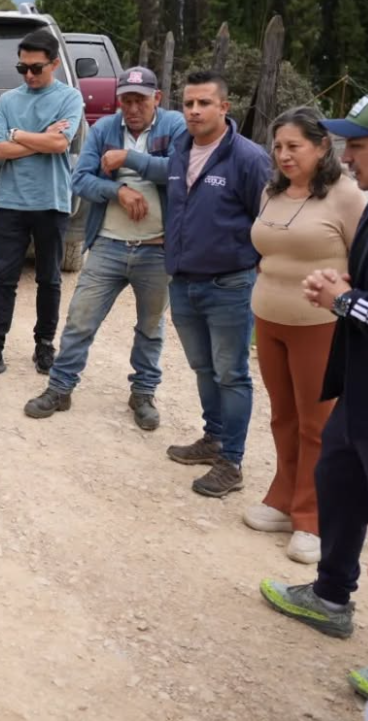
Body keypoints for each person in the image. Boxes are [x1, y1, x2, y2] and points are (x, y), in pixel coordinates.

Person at [259, 97, 368, 703]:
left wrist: (342, 301)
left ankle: (312, 530)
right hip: (340, 362)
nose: (351, 156)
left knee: (322, 436)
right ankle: (329, 593)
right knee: (330, 461)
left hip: (329, 332)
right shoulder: (279, 190)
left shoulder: (349, 198)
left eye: (360, 146)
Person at [22, 67, 186, 429]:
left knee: (151, 327)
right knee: (80, 320)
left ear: (157, 99)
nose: (133, 108)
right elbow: (80, 179)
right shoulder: (104, 129)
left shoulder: (174, 125)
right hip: (109, 244)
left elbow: (180, 171)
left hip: (157, 248)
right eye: (126, 101)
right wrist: (117, 191)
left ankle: (143, 392)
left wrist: (128, 159)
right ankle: (60, 388)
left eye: (140, 100)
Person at [246, 108, 365, 563]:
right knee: (283, 415)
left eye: (294, 146)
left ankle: (311, 517)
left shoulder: (347, 195)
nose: (283, 155)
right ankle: (283, 498)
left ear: (322, 147)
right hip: (268, 319)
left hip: (320, 326)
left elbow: (361, 260)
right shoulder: (271, 191)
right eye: (278, 146)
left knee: (317, 423)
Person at [162, 71, 272, 497]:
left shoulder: (248, 158)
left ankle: (232, 462)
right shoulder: (179, 150)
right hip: (183, 281)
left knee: (231, 372)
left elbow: (268, 220)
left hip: (229, 285)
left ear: (224, 107)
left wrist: (256, 271)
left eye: (204, 103)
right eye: (188, 103)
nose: (194, 111)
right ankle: (213, 438)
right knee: (203, 367)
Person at [0, 28, 84, 379]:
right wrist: (40, 138)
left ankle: (44, 345)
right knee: (3, 279)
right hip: (11, 201)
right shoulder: (8, 100)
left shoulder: (70, 98)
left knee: (49, 279)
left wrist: (17, 134)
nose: (28, 75)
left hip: (51, 201)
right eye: (22, 68)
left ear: (54, 64)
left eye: (36, 68)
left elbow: (60, 144)